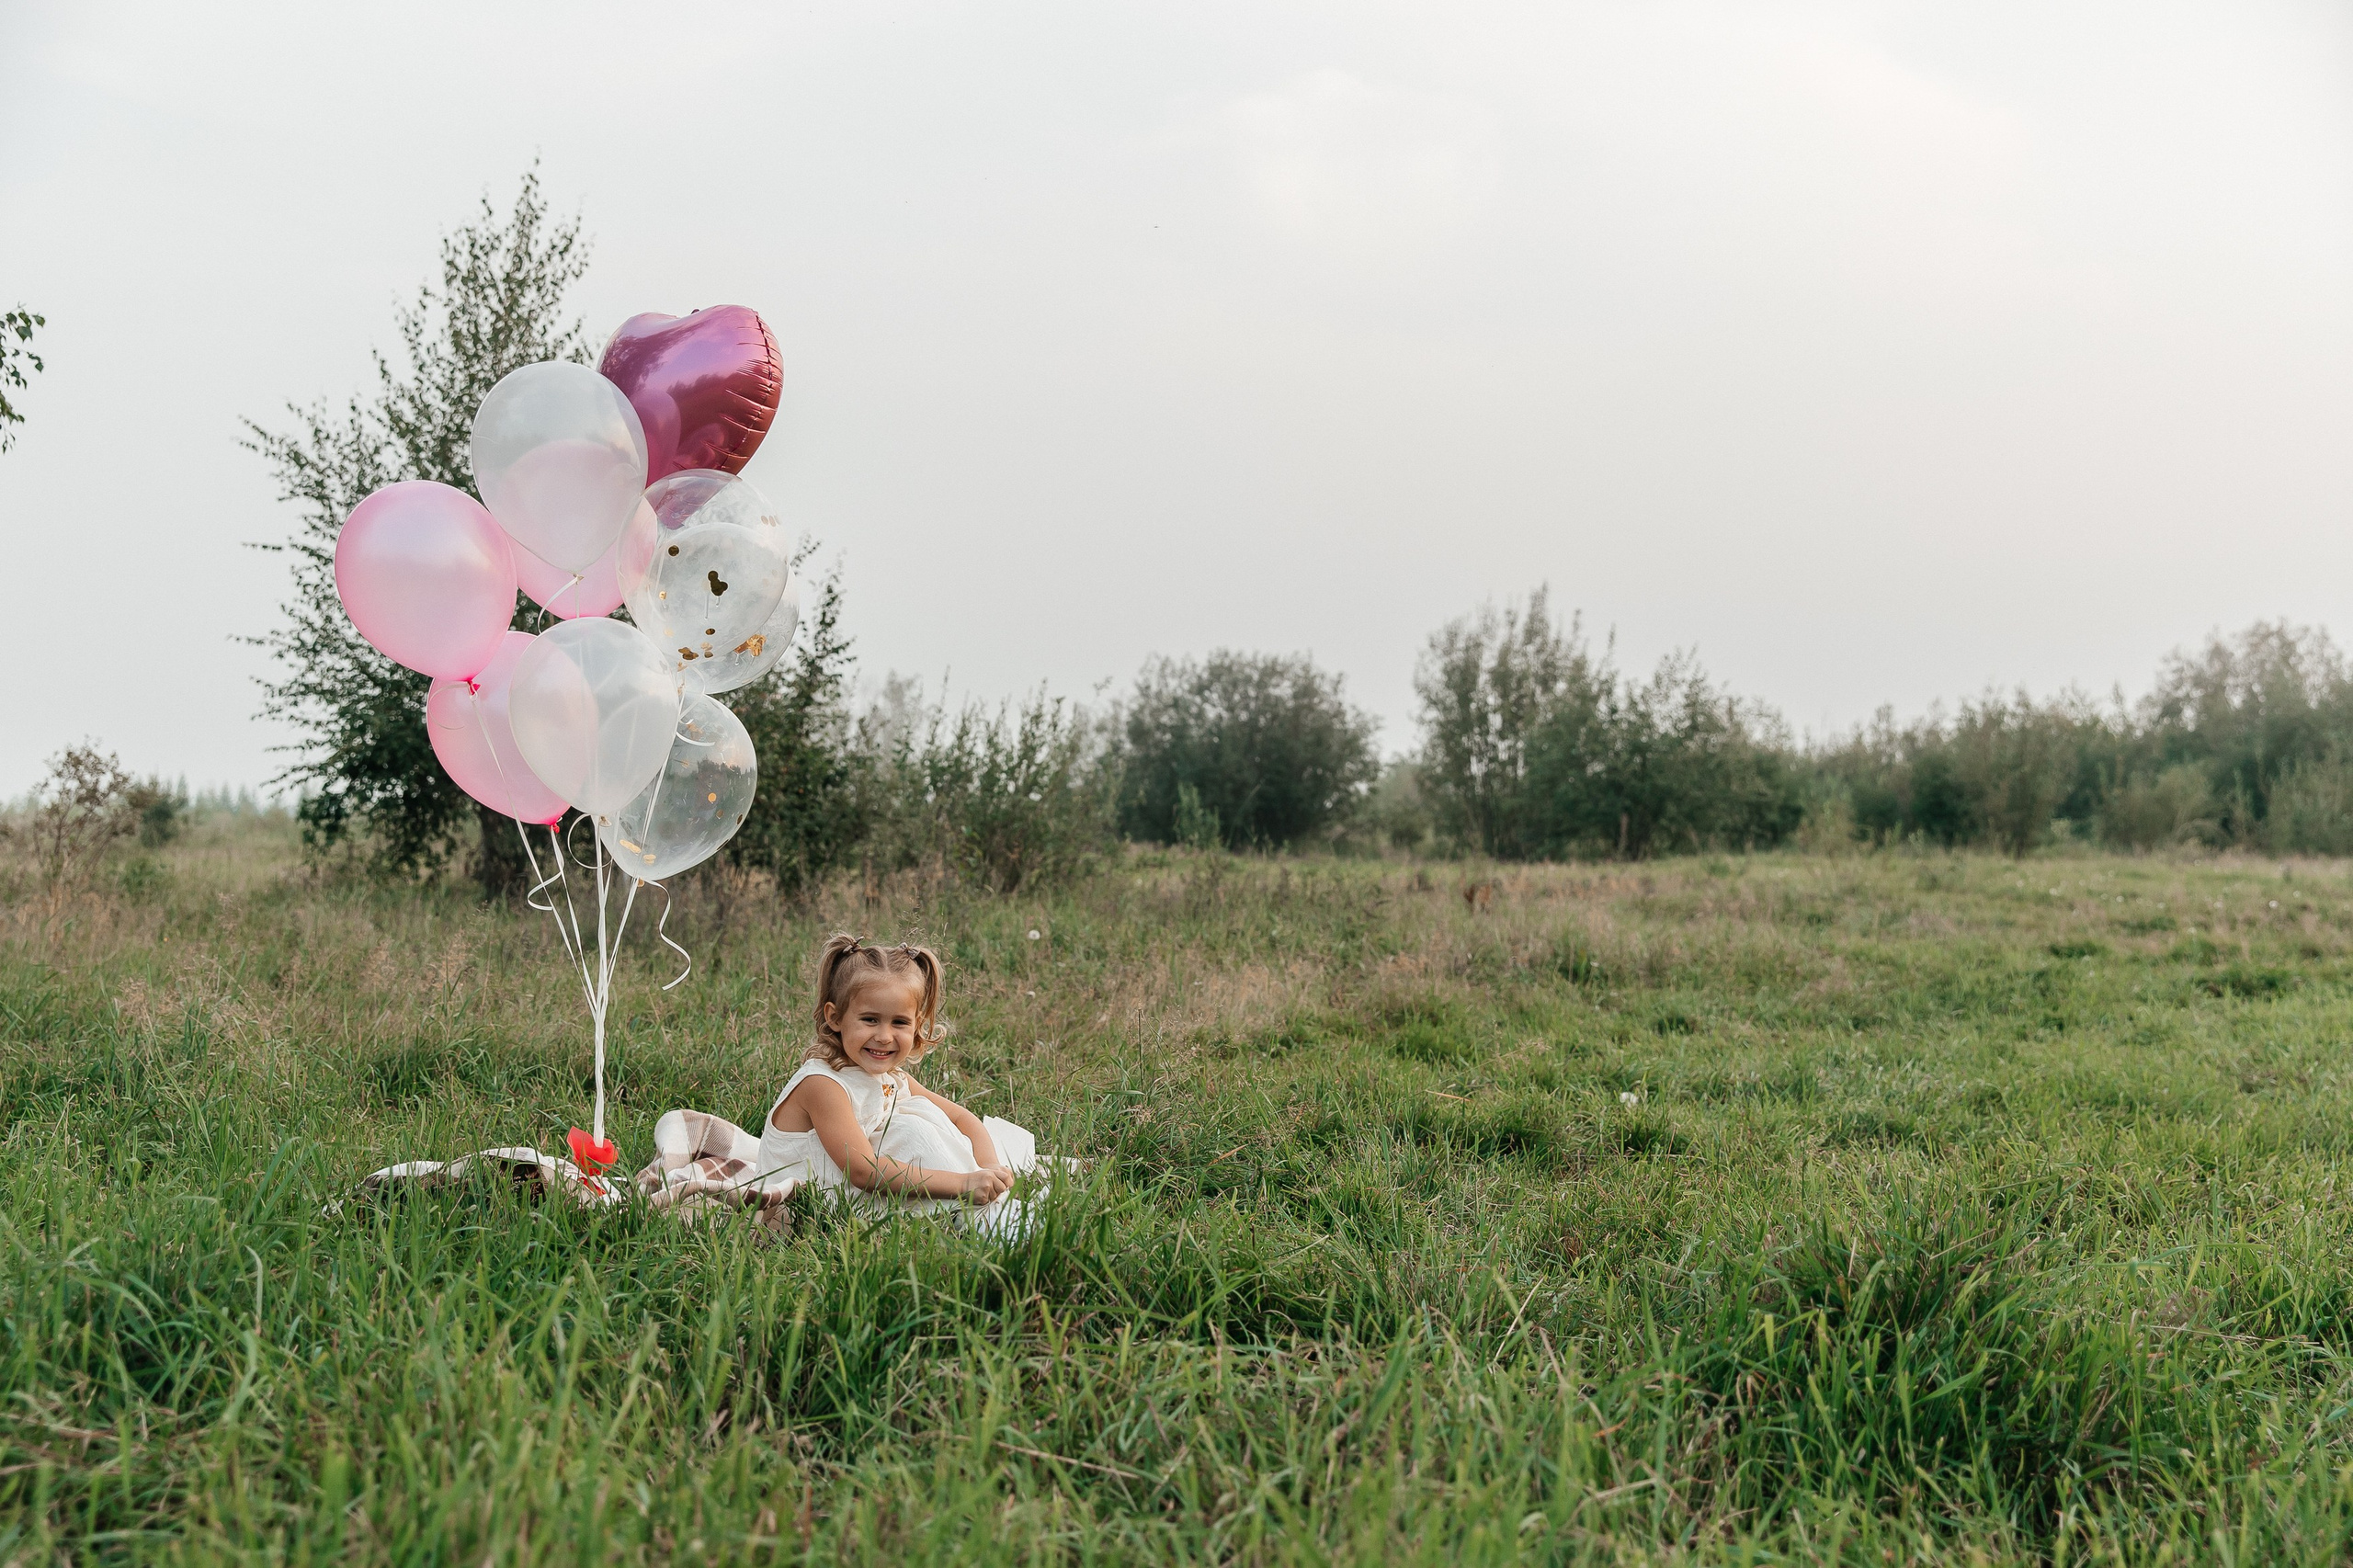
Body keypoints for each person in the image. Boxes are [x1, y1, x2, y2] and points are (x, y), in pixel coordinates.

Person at [759, 934, 1037, 1219]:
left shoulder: (894, 1078)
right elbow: (863, 1172)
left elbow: (961, 1118)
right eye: (870, 1019)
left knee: (924, 1113)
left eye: (900, 1023)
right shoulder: (822, 1085)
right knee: (912, 1129)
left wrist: (988, 1167)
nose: (883, 1037)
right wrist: (962, 1184)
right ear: (835, 1018)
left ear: (917, 1025)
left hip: (859, 1194)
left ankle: (986, 1202)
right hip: (813, 1210)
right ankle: (978, 1212)